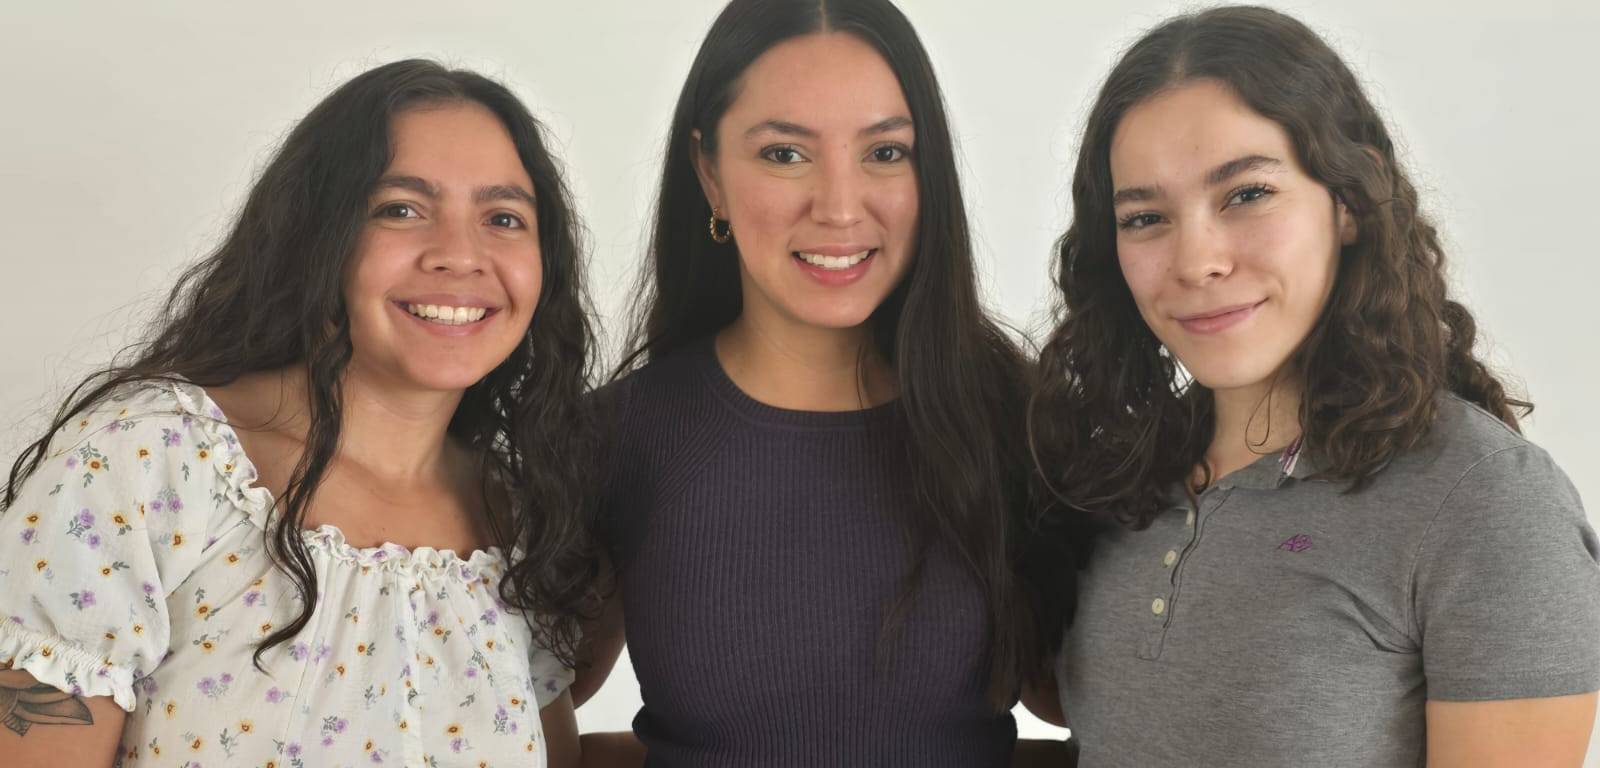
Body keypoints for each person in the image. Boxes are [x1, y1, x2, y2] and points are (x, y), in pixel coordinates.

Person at [1022, 7, 1600, 766]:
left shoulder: (1485, 502)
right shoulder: (1116, 482)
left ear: (1348, 202)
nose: (1196, 261)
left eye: (1247, 194)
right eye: (1145, 217)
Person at [0, 59, 601, 768]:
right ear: (317, 235)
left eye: (503, 218)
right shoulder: (145, 461)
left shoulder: (521, 518)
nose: (460, 256)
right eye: (401, 209)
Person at [573, 0, 1041, 765]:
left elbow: (1116, 719)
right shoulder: (615, 439)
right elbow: (512, 721)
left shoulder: (1019, 424)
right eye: (785, 154)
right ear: (709, 174)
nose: (840, 207)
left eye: (884, 152)